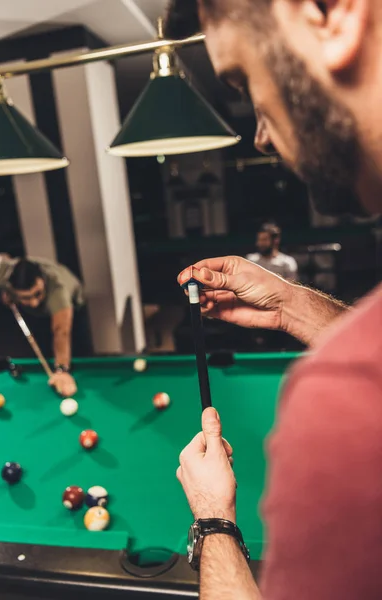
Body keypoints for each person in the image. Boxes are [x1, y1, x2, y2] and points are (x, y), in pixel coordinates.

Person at [165, 1, 382, 599]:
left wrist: (212, 521)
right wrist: (289, 305)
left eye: (244, 81)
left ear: (327, 14)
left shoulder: (343, 400)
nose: (259, 135)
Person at [0, 254, 90, 397]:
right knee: (41, 348)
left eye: (37, 294)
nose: (34, 303)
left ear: (42, 281)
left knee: (73, 351)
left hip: (74, 310)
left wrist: (62, 370)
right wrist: (6, 292)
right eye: (26, 297)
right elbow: (1, 258)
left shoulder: (58, 289)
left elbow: (61, 331)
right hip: (37, 317)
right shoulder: (2, 279)